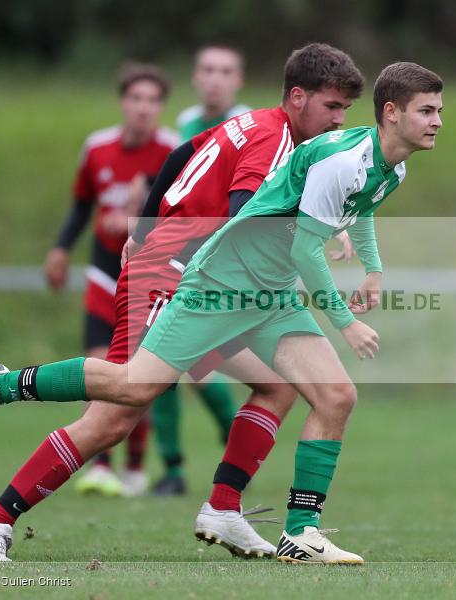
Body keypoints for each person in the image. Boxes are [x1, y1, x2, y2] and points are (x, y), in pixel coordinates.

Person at [0, 44, 366, 563]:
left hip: (211, 278)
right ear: (298, 97)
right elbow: (244, 217)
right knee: (117, 415)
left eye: (346, 109)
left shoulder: (253, 122)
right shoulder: (274, 142)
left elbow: (178, 156)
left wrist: (140, 227)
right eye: (333, 107)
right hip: (173, 274)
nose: (340, 120)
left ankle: (224, 509)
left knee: (278, 386)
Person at [42, 62, 179, 498]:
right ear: (123, 102)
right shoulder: (97, 148)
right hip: (104, 273)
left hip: (149, 277)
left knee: (137, 376)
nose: (143, 108)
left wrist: (140, 220)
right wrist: (61, 248)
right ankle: (102, 465)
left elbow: (181, 214)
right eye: (135, 98)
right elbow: (82, 204)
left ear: (160, 107)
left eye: (152, 100)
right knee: (102, 366)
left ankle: (136, 467)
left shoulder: (174, 150)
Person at [150, 45, 252, 497]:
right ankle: (174, 467)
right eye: (208, 70)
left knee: (191, 365)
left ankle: (236, 449)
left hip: (229, 268)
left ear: (239, 80)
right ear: (195, 76)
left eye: (225, 71)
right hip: (180, 260)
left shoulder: (255, 126)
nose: (216, 79)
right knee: (167, 368)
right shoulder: (183, 127)